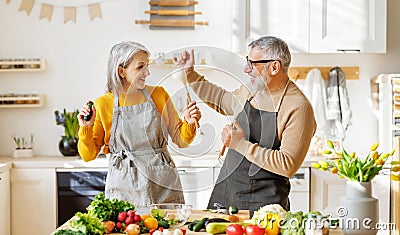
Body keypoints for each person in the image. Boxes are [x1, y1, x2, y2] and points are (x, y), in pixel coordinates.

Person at [173, 36, 316, 215]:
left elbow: (287, 164)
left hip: (265, 205)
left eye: (253, 63)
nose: (246, 69)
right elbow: (221, 100)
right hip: (226, 195)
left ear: (274, 67)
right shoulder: (253, 91)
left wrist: (240, 144)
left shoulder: (298, 106)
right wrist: (190, 73)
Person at [77, 41, 202, 213]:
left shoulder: (159, 94)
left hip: (163, 183)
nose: (147, 72)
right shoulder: (103, 104)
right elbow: (88, 155)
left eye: (147, 66)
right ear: (121, 71)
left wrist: (188, 122)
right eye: (140, 67)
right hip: (124, 186)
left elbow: (181, 140)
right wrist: (86, 128)